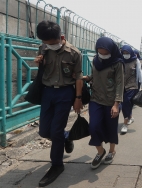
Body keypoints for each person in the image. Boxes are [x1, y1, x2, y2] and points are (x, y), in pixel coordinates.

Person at [33, 20, 83, 187]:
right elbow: (43, 68)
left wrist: (78, 99)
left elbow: (78, 78)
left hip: (64, 93)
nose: (48, 46)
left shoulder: (74, 53)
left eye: (52, 43)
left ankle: (57, 165)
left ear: (60, 37)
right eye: (45, 43)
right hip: (47, 92)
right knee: (44, 130)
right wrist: (39, 61)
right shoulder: (43, 48)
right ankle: (66, 137)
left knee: (55, 131)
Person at [82, 37, 124, 169]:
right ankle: (100, 151)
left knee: (111, 127)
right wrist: (87, 78)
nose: (103, 56)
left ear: (111, 51)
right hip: (96, 99)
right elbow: (95, 75)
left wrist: (116, 104)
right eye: (100, 53)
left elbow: (119, 84)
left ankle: (112, 151)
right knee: (93, 127)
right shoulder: (96, 60)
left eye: (105, 53)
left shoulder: (118, 63)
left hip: (112, 101)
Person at [120, 45, 142, 133]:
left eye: (127, 53)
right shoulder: (120, 61)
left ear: (131, 52)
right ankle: (130, 116)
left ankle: (125, 124)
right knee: (127, 103)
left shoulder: (136, 61)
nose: (125, 54)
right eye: (124, 53)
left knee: (126, 101)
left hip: (132, 85)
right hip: (122, 85)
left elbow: (140, 73)